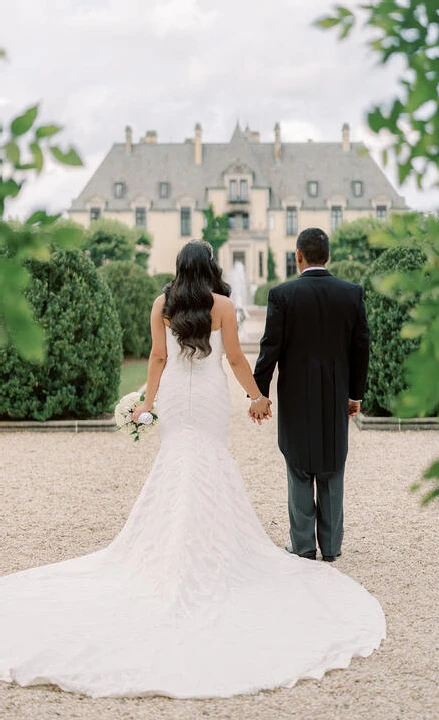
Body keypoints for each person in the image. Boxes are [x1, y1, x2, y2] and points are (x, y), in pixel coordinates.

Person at [0, 240, 384, 699]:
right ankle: (213, 546)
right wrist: (256, 397)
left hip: (177, 399)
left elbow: (158, 358)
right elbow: (236, 359)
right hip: (207, 397)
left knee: (176, 463)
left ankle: (171, 548)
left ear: (179, 268)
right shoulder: (222, 304)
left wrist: (146, 403)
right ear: (212, 268)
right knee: (208, 462)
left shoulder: (162, 303)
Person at [254, 227, 369, 562]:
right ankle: (331, 547)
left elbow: (269, 351)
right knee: (332, 465)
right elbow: (361, 348)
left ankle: (303, 546)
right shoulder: (351, 293)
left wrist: (258, 395)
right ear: (328, 256)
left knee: (299, 465)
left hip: (295, 396)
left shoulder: (282, 295)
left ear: (297, 256)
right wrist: (355, 394)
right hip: (336, 395)